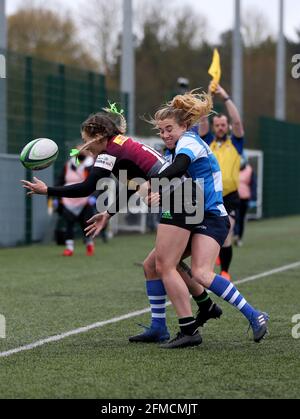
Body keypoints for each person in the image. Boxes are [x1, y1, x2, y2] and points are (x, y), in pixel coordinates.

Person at [21, 104, 222, 341]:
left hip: (180, 199)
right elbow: (133, 184)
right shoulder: (121, 145)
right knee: (156, 265)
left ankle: (194, 326)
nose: (87, 148)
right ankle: (176, 320)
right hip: (181, 197)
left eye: (87, 141)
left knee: (166, 265)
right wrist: (108, 213)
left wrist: (48, 190)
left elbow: (88, 187)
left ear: (99, 137)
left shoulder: (108, 152)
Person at [127, 90, 267, 349]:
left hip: (212, 217)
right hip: (195, 215)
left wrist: (152, 184)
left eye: (169, 129)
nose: (165, 135)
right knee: (156, 263)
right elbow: (175, 181)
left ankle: (252, 314)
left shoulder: (189, 142)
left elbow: (179, 169)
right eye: (161, 131)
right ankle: (171, 321)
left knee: (201, 272)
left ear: (184, 126)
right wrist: (151, 191)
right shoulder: (174, 148)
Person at [198, 82, 244, 281]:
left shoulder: (235, 142)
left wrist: (224, 96)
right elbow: (202, 121)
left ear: (227, 127)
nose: (220, 127)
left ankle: (225, 271)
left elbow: (237, 121)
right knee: (204, 234)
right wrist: (209, 95)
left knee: (226, 233)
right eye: (217, 125)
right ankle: (205, 266)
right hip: (209, 195)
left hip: (231, 196)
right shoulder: (207, 141)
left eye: (223, 125)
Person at [54, 148, 97, 256]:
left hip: (85, 199)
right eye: (78, 151)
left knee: (86, 224)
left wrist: (94, 196)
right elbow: (60, 180)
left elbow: (97, 182)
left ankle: (89, 244)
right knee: (68, 223)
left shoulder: (91, 165)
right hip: (68, 199)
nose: (80, 152)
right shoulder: (69, 164)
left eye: (83, 150)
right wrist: (56, 197)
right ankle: (69, 248)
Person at [234, 153, 257, 247]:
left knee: (242, 218)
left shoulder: (249, 170)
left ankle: (239, 237)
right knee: (235, 217)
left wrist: (253, 199)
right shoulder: (233, 168)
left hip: (245, 198)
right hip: (234, 198)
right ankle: (234, 234)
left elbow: (253, 185)